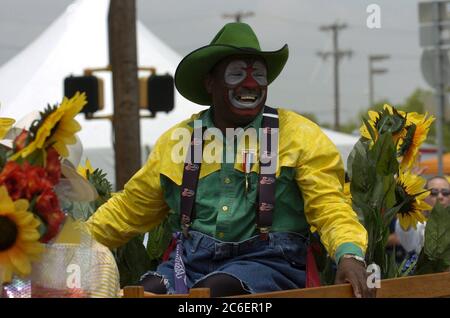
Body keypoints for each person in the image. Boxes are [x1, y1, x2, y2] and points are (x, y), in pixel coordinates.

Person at [87, 22, 373, 297]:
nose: (250, 84)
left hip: (271, 265)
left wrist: (350, 254)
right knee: (144, 292)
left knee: (216, 290)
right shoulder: (178, 142)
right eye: (237, 74)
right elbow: (128, 209)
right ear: (210, 82)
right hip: (188, 265)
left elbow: (330, 207)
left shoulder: (299, 136)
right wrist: (72, 243)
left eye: (258, 75)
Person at [396, 176, 450, 255]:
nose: (440, 197)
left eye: (445, 192)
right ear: (424, 197)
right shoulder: (419, 224)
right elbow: (408, 243)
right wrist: (406, 197)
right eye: (433, 192)